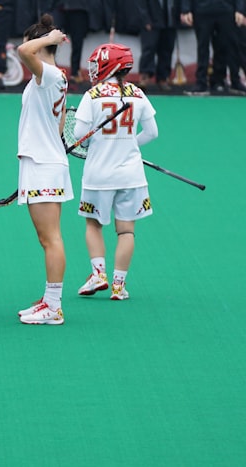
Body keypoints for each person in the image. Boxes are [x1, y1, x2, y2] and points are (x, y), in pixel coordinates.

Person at [72, 43, 158, 302]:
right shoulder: (139, 93)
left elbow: (79, 137)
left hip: (99, 174)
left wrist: (97, 144)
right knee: (126, 231)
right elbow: (152, 133)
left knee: (93, 224)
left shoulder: (92, 95)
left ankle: (98, 273)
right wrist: (130, 145)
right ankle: (119, 286)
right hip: (131, 175)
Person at [15, 15, 72, 325]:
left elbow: (23, 51)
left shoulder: (48, 74)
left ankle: (53, 306)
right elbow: (60, 121)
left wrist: (50, 39)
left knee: (51, 238)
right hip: (42, 161)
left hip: (44, 165)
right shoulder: (54, 76)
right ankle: (49, 300)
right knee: (46, 237)